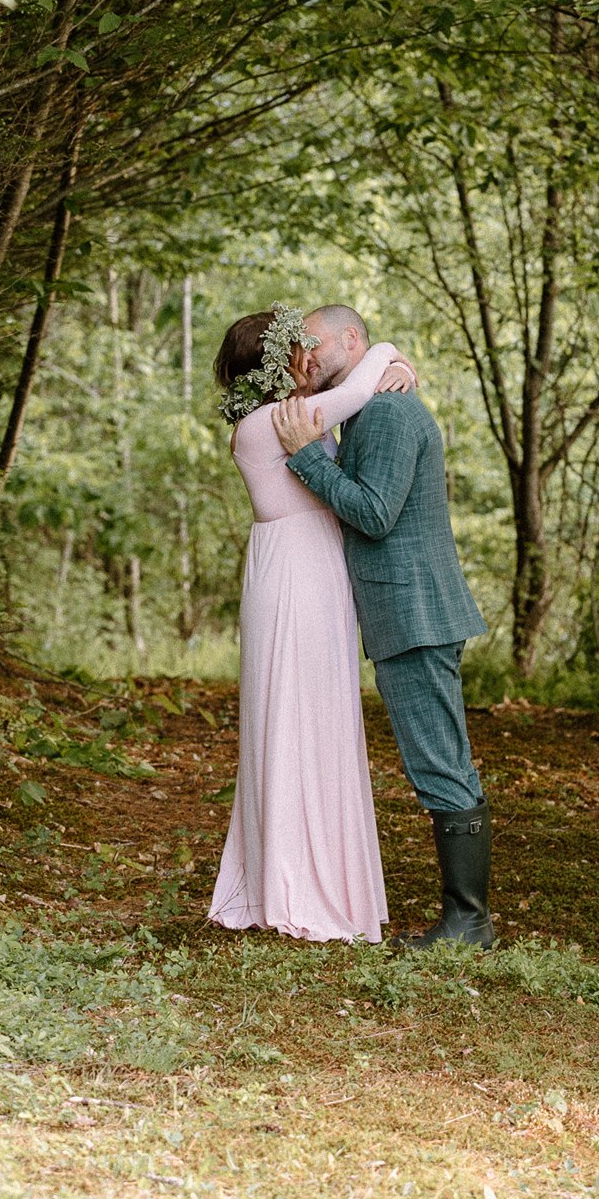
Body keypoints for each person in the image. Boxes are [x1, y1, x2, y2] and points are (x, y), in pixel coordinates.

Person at [272, 304, 493, 948]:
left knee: (439, 762)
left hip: (416, 612)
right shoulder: (368, 404)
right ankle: (466, 917)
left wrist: (305, 457)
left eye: (313, 344)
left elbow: (374, 513)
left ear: (353, 340)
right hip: (403, 611)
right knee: (437, 757)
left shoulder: (391, 413)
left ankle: (468, 921)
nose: (306, 356)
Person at [207, 302, 417, 942]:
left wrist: (394, 364)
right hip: (294, 573)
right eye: (297, 346)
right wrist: (388, 352)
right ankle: (292, 884)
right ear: (276, 362)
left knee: (321, 716)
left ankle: (312, 874)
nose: (308, 355)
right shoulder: (273, 420)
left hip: (316, 567)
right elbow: (356, 388)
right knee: (293, 715)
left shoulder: (284, 413)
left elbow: (350, 397)